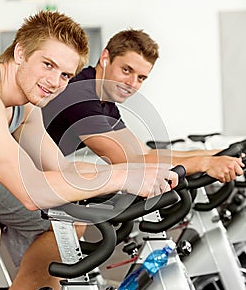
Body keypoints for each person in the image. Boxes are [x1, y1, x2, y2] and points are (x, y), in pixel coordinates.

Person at [0, 11, 178, 290]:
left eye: (66, 74)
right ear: (21, 52)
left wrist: (127, 183)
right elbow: (32, 191)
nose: (55, 81)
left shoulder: (25, 110)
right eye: (48, 65)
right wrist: (119, 175)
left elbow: (63, 172)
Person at [43, 28, 244, 182]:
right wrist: (205, 163)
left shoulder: (104, 101)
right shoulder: (80, 96)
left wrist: (219, 154)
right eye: (126, 70)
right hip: (17, 177)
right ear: (105, 58)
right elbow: (127, 161)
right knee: (73, 226)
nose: (131, 84)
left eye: (141, 78)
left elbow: (143, 153)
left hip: (33, 173)